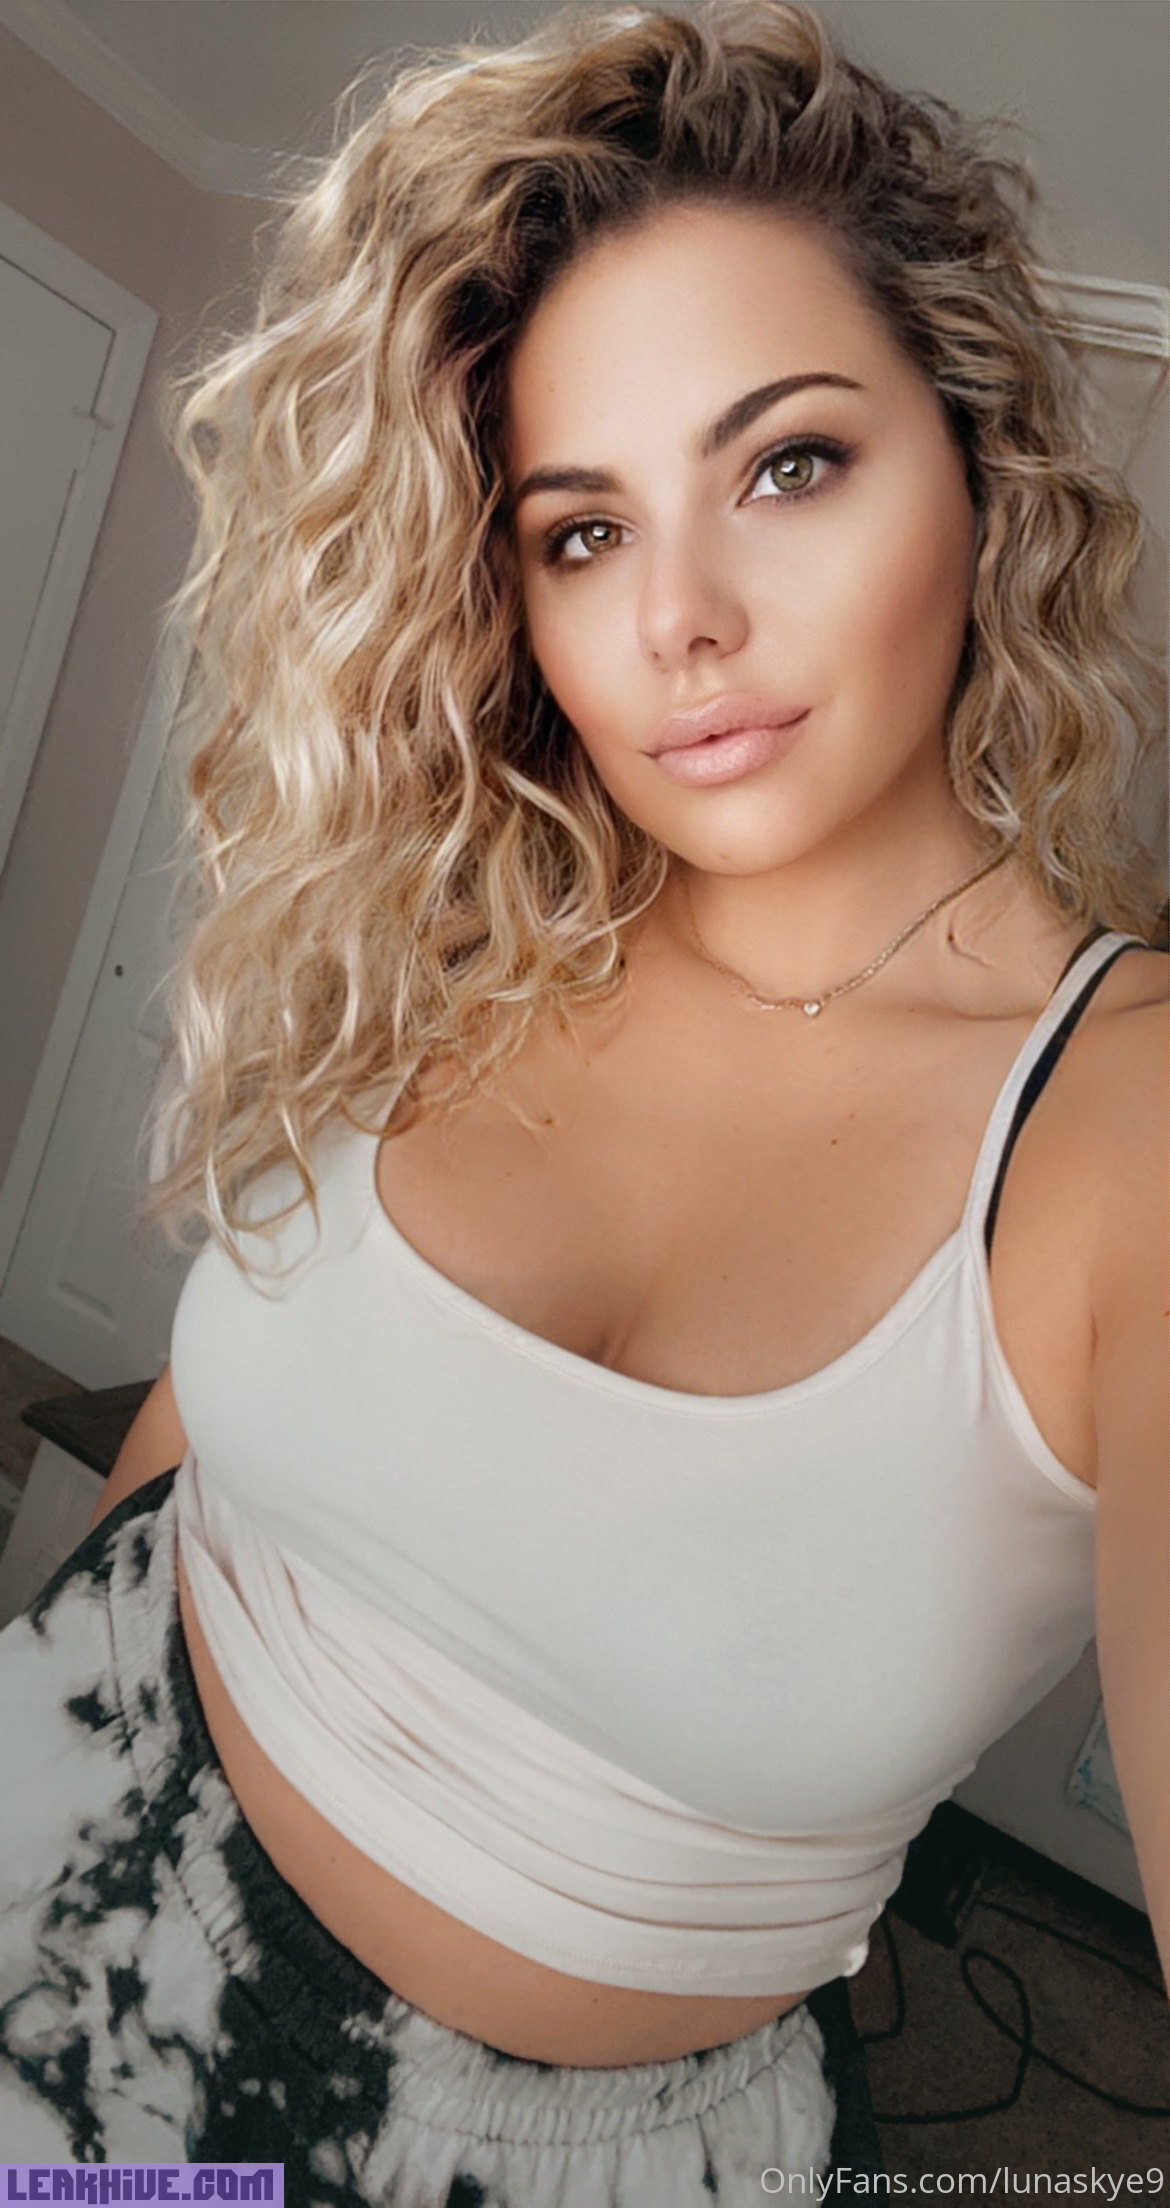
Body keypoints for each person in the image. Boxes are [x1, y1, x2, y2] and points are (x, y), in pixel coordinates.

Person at [0, 1, 1165, 2196]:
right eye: (582, 531)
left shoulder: (1123, 1138)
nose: (681, 622)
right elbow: (201, 1440)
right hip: (62, 1790)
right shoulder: (479, 906)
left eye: (788, 466)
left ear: (981, 464)